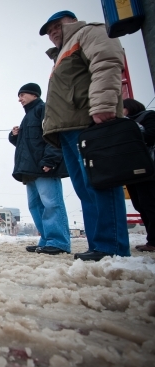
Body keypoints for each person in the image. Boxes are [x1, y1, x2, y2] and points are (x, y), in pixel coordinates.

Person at [39, 10, 130, 261]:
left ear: (70, 21)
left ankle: (111, 247)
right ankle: (99, 245)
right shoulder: (60, 56)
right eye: (48, 32)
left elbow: (107, 62)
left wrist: (103, 104)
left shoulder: (89, 32)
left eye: (56, 26)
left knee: (100, 183)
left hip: (88, 122)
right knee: (85, 189)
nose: (52, 33)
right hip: (68, 129)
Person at [9, 83, 70, 255]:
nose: (19, 99)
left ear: (34, 95)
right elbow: (26, 145)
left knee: (52, 204)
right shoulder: (28, 116)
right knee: (36, 206)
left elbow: (54, 135)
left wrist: (50, 160)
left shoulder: (43, 109)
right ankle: (46, 240)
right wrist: (15, 136)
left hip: (44, 166)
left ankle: (59, 242)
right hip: (30, 170)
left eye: (22, 95)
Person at [123, 98, 155, 252]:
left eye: (122, 107)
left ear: (129, 107)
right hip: (130, 169)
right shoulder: (123, 122)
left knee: (150, 203)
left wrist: (129, 128)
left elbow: (150, 136)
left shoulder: (148, 116)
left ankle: (153, 241)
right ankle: (152, 239)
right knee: (140, 204)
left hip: (148, 167)